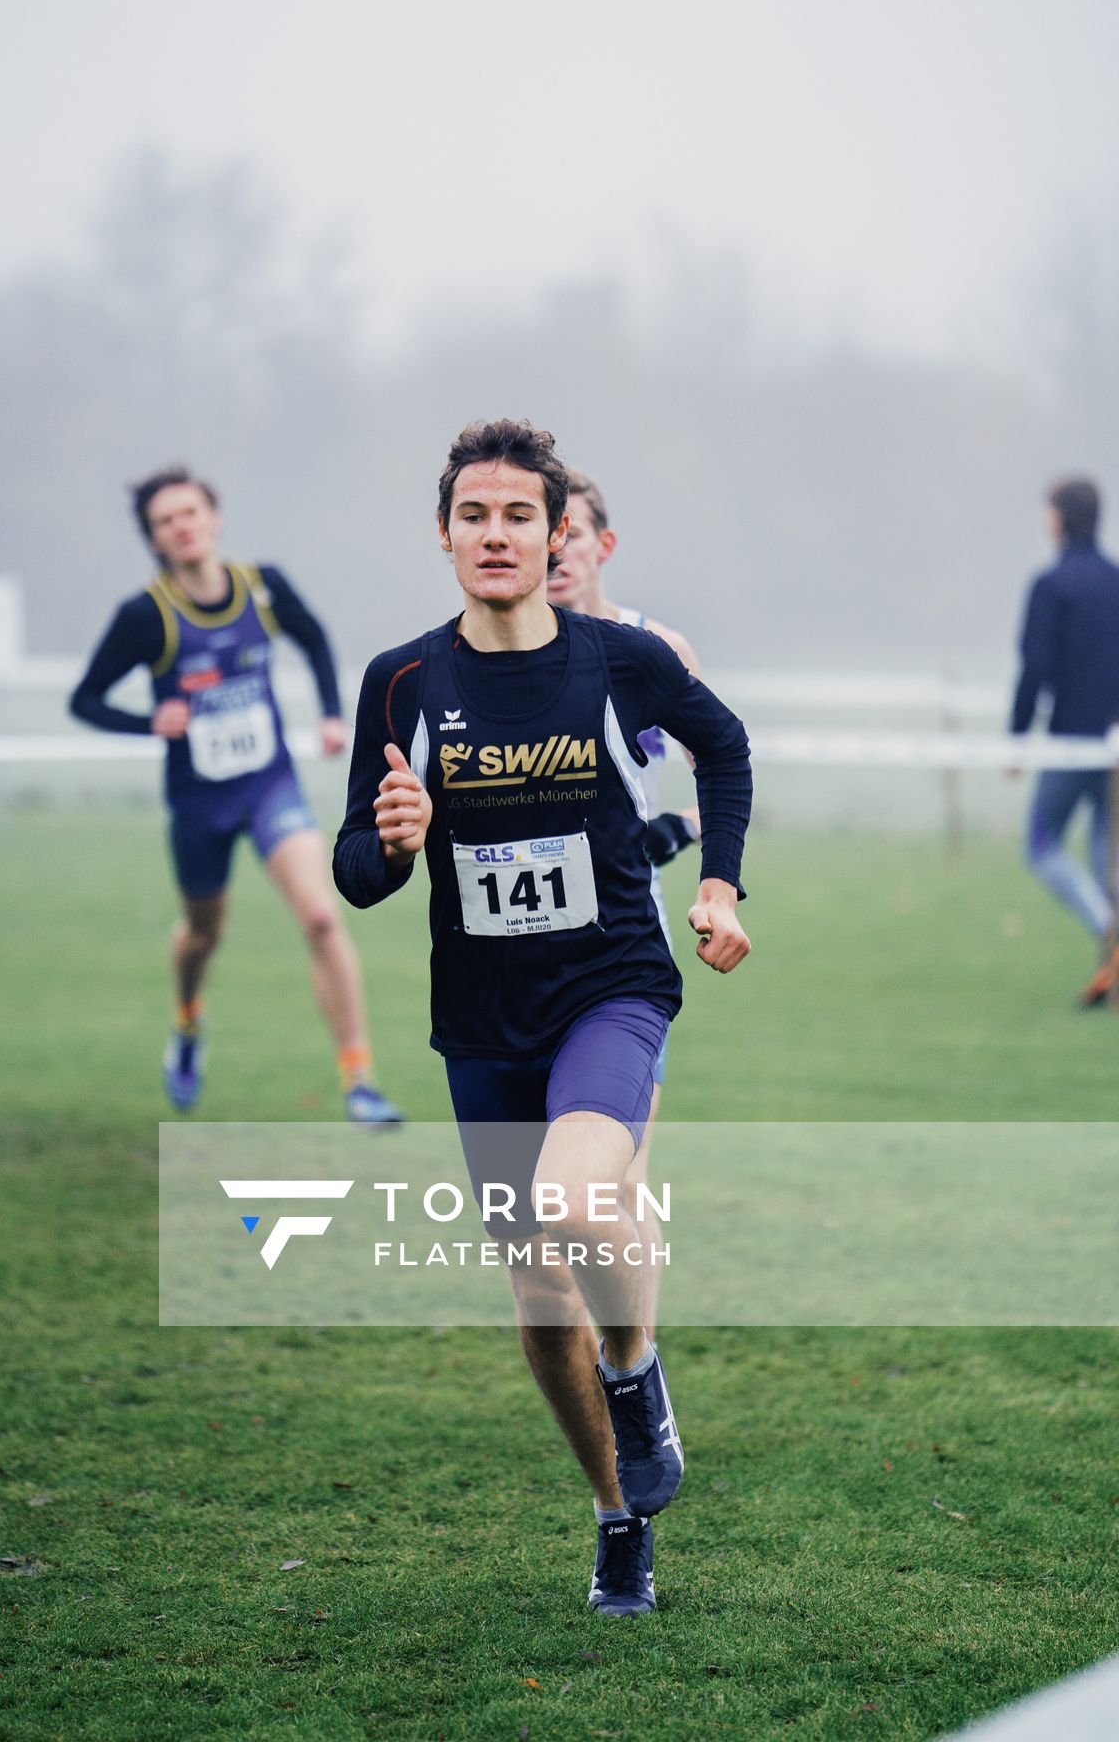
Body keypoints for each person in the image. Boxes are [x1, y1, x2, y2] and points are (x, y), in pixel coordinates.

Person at [333, 419, 752, 1616]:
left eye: (521, 515)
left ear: (557, 531)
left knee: (579, 1199)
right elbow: (357, 866)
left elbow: (722, 751)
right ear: (445, 534)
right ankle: (616, 1518)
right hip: (481, 1019)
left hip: (611, 986)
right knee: (533, 1292)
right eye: (475, 514)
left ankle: (638, 1374)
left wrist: (717, 885)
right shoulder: (403, 681)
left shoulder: (618, 659)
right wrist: (393, 842)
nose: (497, 534)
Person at [70, 464, 400, 1122]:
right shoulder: (146, 616)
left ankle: (359, 1081)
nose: (181, 527)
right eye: (165, 521)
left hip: (268, 785)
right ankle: (188, 1023)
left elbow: (313, 637)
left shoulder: (263, 587)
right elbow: (85, 700)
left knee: (320, 916)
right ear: (154, 539)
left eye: (189, 513)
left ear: (213, 518)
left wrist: (332, 712)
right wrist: (149, 723)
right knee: (201, 934)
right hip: (198, 804)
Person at [548, 469, 703, 1334]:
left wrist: (684, 838)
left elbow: (722, 769)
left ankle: (636, 1371)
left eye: (575, 532)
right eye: (549, 528)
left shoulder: (659, 651)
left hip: (626, 955)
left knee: (621, 1181)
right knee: (546, 1221)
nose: (559, 546)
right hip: (517, 963)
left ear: (601, 546)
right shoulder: (502, 658)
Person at [1010, 477, 1119, 1007]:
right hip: (1115, 739)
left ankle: (1107, 928)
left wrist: (1016, 737)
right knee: (1106, 856)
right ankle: (1109, 970)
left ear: (1058, 519)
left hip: (1072, 740)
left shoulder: (1052, 586)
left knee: (1041, 843)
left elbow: (1034, 667)